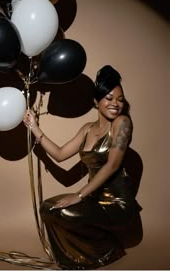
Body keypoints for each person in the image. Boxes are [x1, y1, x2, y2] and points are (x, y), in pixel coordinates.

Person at [23, 65, 142, 269]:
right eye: (109, 98)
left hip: (117, 205)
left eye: (120, 99)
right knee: (48, 208)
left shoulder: (122, 123)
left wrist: (78, 195)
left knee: (64, 212)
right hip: (94, 201)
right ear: (96, 102)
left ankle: (107, 249)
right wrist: (34, 128)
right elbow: (60, 154)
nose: (116, 103)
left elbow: (113, 165)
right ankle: (71, 259)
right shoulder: (88, 129)